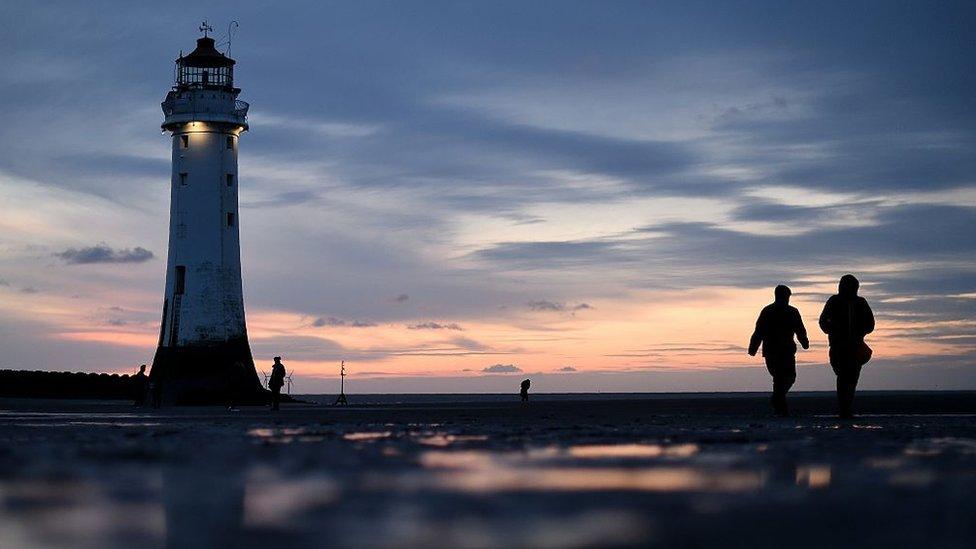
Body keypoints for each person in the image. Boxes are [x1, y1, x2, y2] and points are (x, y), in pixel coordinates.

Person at [819, 274, 875, 419]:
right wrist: (832, 330)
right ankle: (844, 408)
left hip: (855, 346)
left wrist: (861, 332)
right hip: (838, 346)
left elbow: (870, 323)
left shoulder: (861, 302)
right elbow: (823, 321)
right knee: (843, 376)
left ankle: (846, 408)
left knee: (851, 378)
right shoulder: (834, 301)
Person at [748, 285, 809, 416]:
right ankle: (780, 405)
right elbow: (759, 331)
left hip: (785, 351)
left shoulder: (791, 311)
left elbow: (800, 329)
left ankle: (777, 400)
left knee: (787, 378)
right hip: (774, 351)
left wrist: (804, 342)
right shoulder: (769, 311)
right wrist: (753, 348)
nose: (787, 299)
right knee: (780, 378)